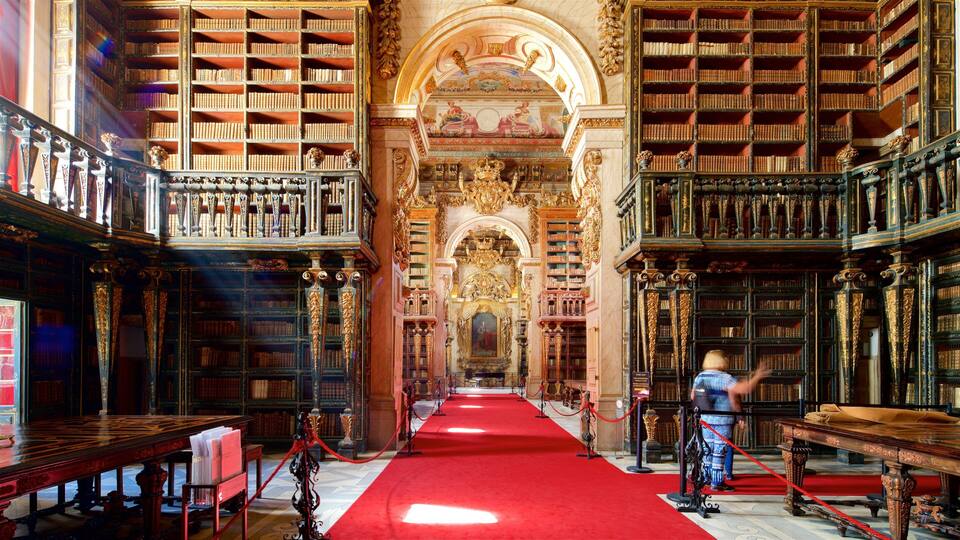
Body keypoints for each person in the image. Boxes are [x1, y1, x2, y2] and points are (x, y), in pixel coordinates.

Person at [691, 350, 769, 491]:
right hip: (722, 420)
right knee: (719, 451)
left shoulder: (699, 377)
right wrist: (757, 376)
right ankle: (717, 482)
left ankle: (706, 479)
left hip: (704, 420)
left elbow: (693, 396)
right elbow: (742, 391)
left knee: (707, 450)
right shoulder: (725, 378)